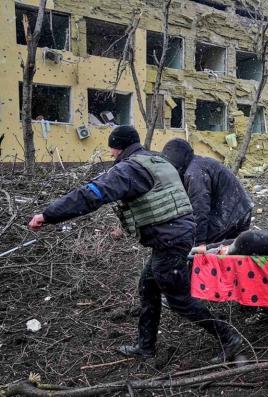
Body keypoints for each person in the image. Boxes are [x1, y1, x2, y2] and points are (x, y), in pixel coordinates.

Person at [28, 126, 241, 363]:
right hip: (174, 235)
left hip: (170, 239)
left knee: (179, 299)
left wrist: (48, 215)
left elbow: (91, 194)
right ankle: (145, 347)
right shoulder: (155, 160)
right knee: (148, 287)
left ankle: (228, 337)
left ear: (120, 148)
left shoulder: (130, 169)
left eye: (112, 149)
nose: (110, 154)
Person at [162, 138, 253, 251]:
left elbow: (200, 209)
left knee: (198, 249)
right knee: (229, 253)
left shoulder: (194, 173)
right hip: (240, 209)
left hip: (231, 213)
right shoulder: (198, 164)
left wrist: (199, 243)